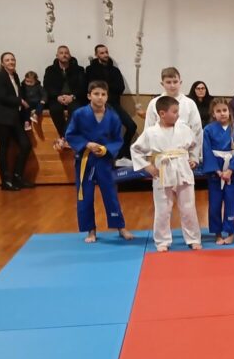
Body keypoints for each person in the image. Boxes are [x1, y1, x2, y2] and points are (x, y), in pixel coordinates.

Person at [64, 80, 134, 243]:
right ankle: (91, 230)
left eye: (103, 94)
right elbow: (71, 134)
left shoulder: (113, 117)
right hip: (85, 160)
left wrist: (106, 149)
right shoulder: (80, 114)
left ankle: (120, 227)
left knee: (110, 194)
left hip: (104, 161)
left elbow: (118, 139)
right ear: (89, 96)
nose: (100, 97)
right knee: (85, 195)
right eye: (96, 94)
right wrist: (86, 144)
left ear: (107, 96)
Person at [131, 95, 201, 252]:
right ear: (162, 114)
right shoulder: (151, 132)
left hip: (183, 168)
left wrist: (193, 159)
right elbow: (135, 149)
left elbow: (195, 144)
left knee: (188, 207)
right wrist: (147, 166)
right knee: (163, 208)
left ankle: (193, 238)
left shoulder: (184, 129)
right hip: (162, 170)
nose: (178, 115)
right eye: (174, 112)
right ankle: (162, 240)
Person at [202, 97, 234, 245]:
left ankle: (230, 232)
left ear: (229, 111)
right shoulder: (208, 130)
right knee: (215, 203)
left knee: (231, 202)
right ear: (213, 114)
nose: (222, 113)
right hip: (215, 170)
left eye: (225, 110)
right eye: (218, 111)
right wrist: (217, 171)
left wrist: (231, 170)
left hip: (232, 169)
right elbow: (206, 151)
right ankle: (218, 233)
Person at [0, 52, 33, 190]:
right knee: (3, 148)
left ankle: (17, 176)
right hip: (2, 118)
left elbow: (17, 93)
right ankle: (5, 181)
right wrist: (20, 101)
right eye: (7, 60)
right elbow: (1, 96)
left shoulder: (15, 76)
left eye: (12, 59)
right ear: (2, 63)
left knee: (25, 145)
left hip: (14, 118)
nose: (11, 62)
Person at [84, 44, 137, 157]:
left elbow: (120, 88)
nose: (105, 55)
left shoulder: (115, 70)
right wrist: (107, 88)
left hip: (114, 103)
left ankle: (123, 152)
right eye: (102, 53)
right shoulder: (90, 70)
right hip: (98, 106)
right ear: (96, 55)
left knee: (131, 126)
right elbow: (92, 87)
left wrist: (104, 86)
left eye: (106, 52)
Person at [144, 67, 203, 163]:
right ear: (162, 84)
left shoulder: (189, 104)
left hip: (183, 158)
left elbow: (197, 132)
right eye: (168, 82)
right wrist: (149, 157)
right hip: (160, 157)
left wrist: (194, 157)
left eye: (175, 82)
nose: (172, 85)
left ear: (180, 82)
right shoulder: (154, 103)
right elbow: (148, 131)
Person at [43, 45, 87, 142]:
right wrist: (57, 96)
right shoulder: (50, 70)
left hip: (74, 97)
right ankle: (65, 136)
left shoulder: (79, 69)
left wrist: (72, 96)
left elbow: (83, 86)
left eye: (66, 53)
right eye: (61, 53)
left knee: (76, 110)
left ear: (70, 56)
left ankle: (63, 137)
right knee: (55, 109)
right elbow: (47, 86)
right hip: (57, 98)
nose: (64, 55)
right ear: (57, 56)